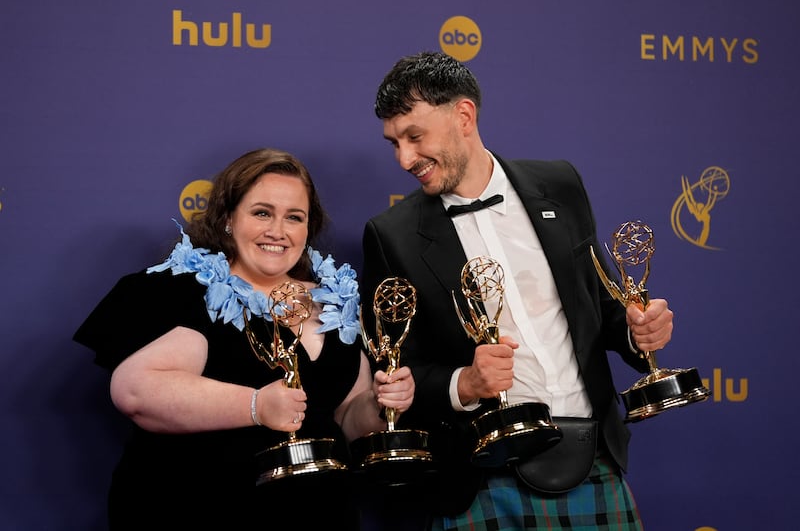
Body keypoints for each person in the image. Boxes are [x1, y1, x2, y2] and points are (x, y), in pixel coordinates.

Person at [359, 51, 675, 530]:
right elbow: (396, 374)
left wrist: (639, 331)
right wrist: (465, 383)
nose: (404, 158)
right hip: (482, 479)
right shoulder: (392, 235)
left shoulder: (560, 185)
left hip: (594, 460)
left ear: (464, 115)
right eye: (394, 143)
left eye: (415, 136)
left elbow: (603, 307)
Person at [74, 147, 416, 530]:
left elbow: (349, 416)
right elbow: (136, 392)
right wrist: (255, 405)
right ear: (227, 219)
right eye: (262, 213)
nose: (278, 231)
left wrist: (382, 403)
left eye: (294, 218)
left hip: (319, 513)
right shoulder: (187, 289)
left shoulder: (335, 299)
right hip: (199, 509)